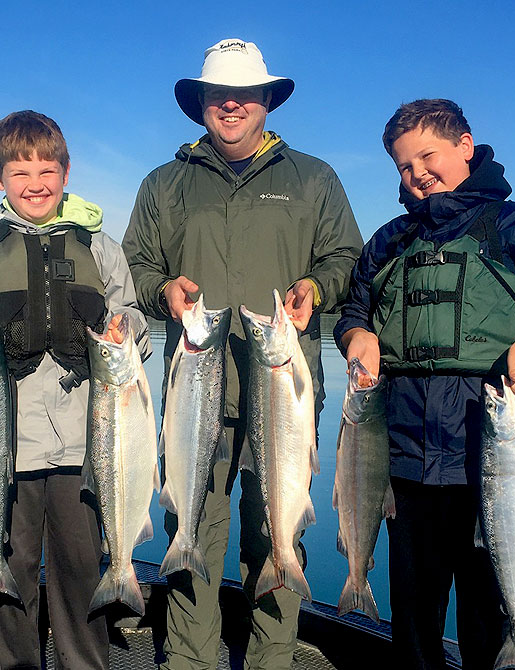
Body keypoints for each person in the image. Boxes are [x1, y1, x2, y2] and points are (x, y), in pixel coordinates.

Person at [334, 99, 515, 669]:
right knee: (414, 630)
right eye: (403, 165)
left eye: (428, 155)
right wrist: (355, 335)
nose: (417, 174)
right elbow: (355, 306)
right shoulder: (391, 240)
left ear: (466, 146)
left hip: (491, 464)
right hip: (402, 466)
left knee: (485, 621)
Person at [121, 39, 364, 669]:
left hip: (281, 394)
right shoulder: (163, 183)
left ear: (266, 101)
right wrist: (161, 290)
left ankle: (271, 661)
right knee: (190, 535)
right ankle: (191, 662)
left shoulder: (314, 179)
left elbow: (345, 260)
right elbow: (138, 267)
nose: (231, 105)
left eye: (245, 94)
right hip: (193, 398)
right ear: (200, 102)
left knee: (277, 535)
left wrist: (318, 286)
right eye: (218, 94)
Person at [0, 110, 150, 670]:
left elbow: (134, 319)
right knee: (6, 565)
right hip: (2, 446)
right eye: (19, 173)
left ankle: (86, 661)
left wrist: (121, 327)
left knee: (83, 568)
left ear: (65, 171)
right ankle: (11, 661)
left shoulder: (102, 247)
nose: (34, 184)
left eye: (46, 170)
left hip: (87, 444)